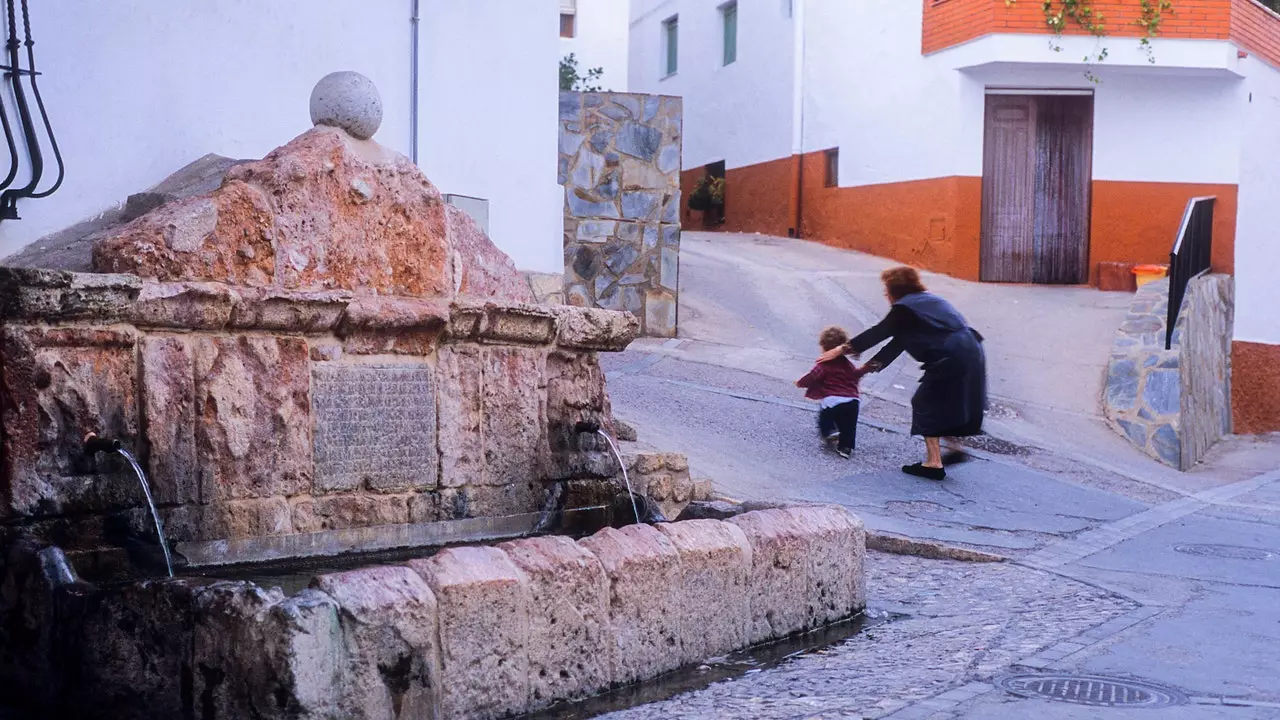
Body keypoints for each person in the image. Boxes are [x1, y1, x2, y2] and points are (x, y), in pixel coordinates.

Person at [818, 266, 986, 481]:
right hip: (970, 350)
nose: (885, 294)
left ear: (895, 290)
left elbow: (879, 333)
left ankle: (934, 463)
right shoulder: (925, 303)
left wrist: (841, 349)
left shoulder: (905, 309)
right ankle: (955, 449)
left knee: (926, 402)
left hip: (951, 355)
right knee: (945, 403)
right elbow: (896, 345)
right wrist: (862, 371)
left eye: (886, 289)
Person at [796, 326, 876, 459]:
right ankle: (846, 447)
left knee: (825, 416)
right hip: (852, 400)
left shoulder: (824, 364)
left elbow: (813, 376)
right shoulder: (848, 365)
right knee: (849, 425)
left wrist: (800, 382)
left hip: (833, 399)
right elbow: (855, 375)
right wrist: (865, 368)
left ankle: (830, 431)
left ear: (824, 347)